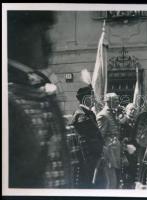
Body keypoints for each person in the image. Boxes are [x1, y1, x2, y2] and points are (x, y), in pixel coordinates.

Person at [8, 11, 71, 188]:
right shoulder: (11, 93)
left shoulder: (37, 87)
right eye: (41, 32)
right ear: (21, 37)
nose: (49, 42)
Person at [70, 86, 104, 188]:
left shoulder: (88, 113)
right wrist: (100, 150)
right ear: (86, 99)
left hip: (93, 158)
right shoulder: (81, 116)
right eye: (92, 97)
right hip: (88, 161)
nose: (94, 99)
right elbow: (85, 142)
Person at [96, 93, 122, 189]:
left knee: (115, 181)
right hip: (109, 154)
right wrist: (105, 155)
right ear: (108, 102)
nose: (118, 102)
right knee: (110, 181)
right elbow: (100, 137)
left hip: (115, 153)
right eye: (115, 100)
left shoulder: (112, 114)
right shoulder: (103, 116)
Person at [120, 103, 138, 189]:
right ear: (126, 111)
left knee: (134, 177)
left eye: (134, 109)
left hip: (135, 154)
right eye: (131, 109)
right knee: (127, 177)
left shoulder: (136, 122)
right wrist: (123, 155)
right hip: (126, 153)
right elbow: (120, 139)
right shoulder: (122, 122)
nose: (133, 111)